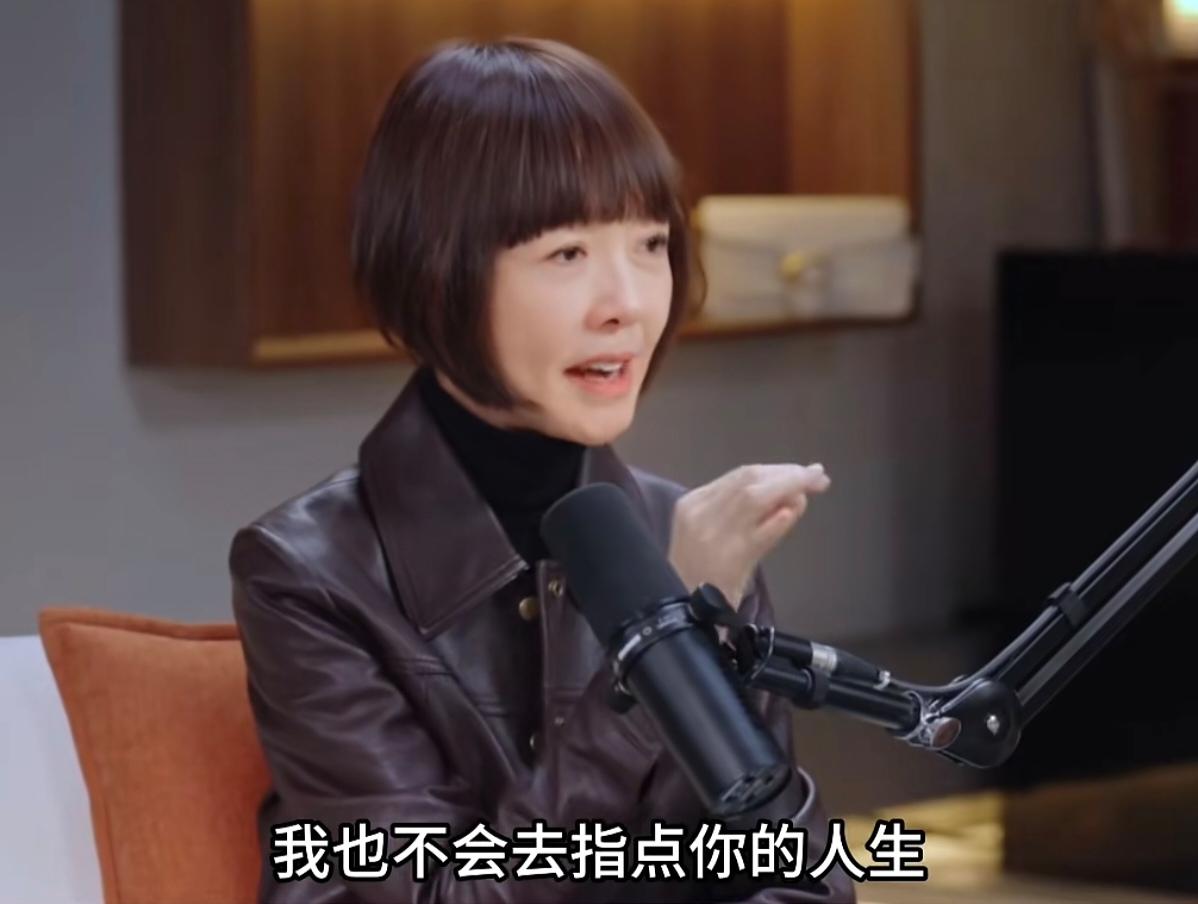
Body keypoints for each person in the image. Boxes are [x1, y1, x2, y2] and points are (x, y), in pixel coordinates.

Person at [229, 37, 855, 903]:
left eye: (650, 243)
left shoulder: (687, 533)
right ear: (438, 268)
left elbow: (795, 879)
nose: (628, 304)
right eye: (567, 254)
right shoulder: (308, 574)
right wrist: (662, 642)